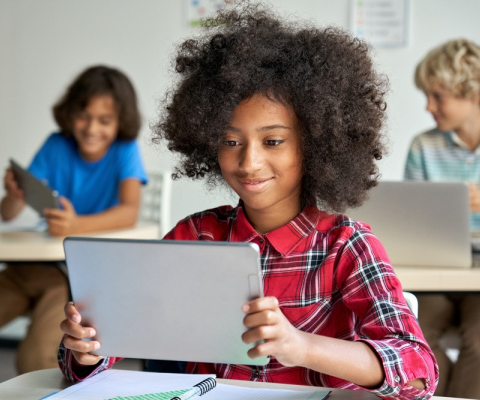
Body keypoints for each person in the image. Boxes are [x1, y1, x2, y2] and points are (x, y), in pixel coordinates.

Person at [59, 2, 438, 399]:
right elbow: (100, 352)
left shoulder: (347, 247)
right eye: (230, 141)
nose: (249, 161)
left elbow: (417, 373)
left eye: (273, 141)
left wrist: (301, 346)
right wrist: (87, 350)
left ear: (314, 145)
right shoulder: (196, 236)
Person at [0, 65, 148, 390]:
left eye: (105, 120)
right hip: (28, 269)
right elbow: (8, 213)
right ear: (70, 114)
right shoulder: (55, 145)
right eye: (84, 116)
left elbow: (130, 211)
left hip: (74, 279)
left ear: (120, 122)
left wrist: (76, 225)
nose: (91, 128)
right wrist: (14, 196)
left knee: (37, 359)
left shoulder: (124, 150)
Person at [404, 38, 480, 398]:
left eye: (438, 96)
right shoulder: (423, 146)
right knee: (415, 333)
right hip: (436, 270)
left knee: (479, 340)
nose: (429, 106)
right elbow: (411, 222)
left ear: (472, 92)